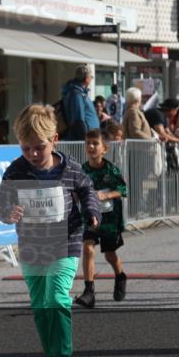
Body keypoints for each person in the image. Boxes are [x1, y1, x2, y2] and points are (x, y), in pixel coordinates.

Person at [0, 104, 99, 357]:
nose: (33, 154)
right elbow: (0, 200)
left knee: (56, 296)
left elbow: (88, 190)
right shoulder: (16, 169)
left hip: (66, 242)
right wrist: (7, 211)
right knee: (40, 306)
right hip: (31, 246)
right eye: (26, 148)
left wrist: (92, 211)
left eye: (39, 147)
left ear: (54, 141)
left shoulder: (70, 168)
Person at [75, 129, 128, 308]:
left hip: (110, 220)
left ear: (104, 148)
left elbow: (123, 190)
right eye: (88, 143)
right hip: (90, 218)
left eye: (95, 143)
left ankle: (120, 275)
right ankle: (89, 292)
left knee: (110, 255)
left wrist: (106, 195)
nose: (91, 146)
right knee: (88, 248)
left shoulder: (111, 170)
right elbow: (76, 191)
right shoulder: (81, 170)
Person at [60, 65, 100, 140]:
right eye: (91, 77)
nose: (91, 79)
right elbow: (78, 121)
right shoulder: (77, 94)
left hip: (86, 138)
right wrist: (84, 140)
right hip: (82, 140)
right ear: (87, 78)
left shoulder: (77, 92)